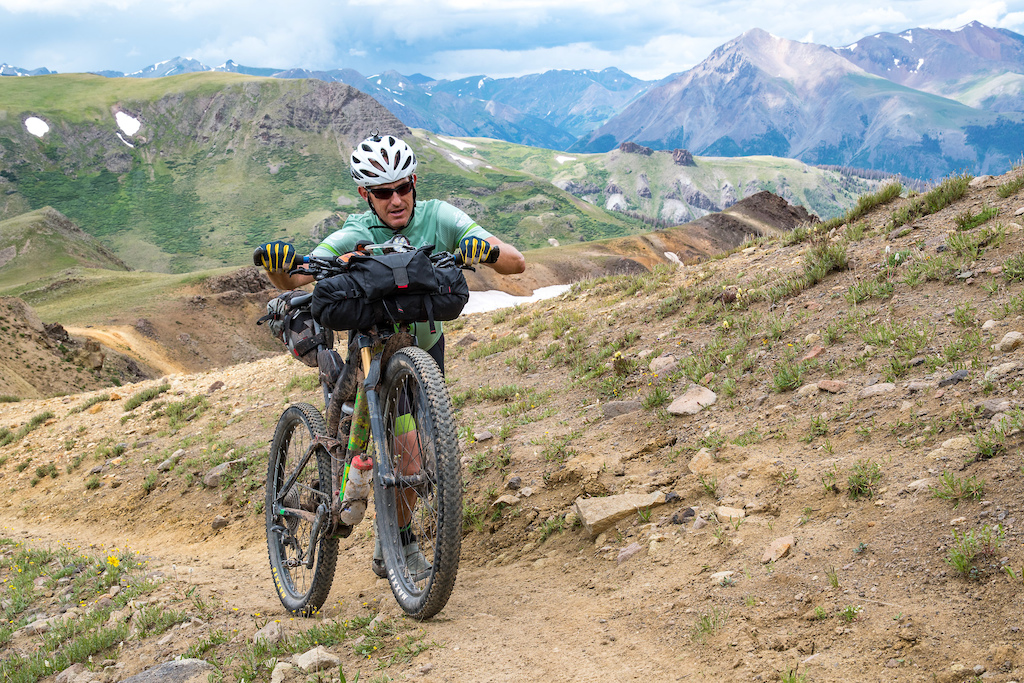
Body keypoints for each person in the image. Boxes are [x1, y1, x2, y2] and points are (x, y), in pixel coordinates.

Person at [259, 132, 525, 579]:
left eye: (404, 187)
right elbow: (293, 280)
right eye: (383, 192)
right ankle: (399, 544)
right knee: (409, 456)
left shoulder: (440, 216)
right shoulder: (356, 233)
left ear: (415, 182)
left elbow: (515, 262)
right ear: (366, 194)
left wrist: (490, 251)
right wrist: (278, 264)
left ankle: (388, 543)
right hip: (373, 351)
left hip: (424, 350)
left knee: (412, 458)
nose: (396, 199)